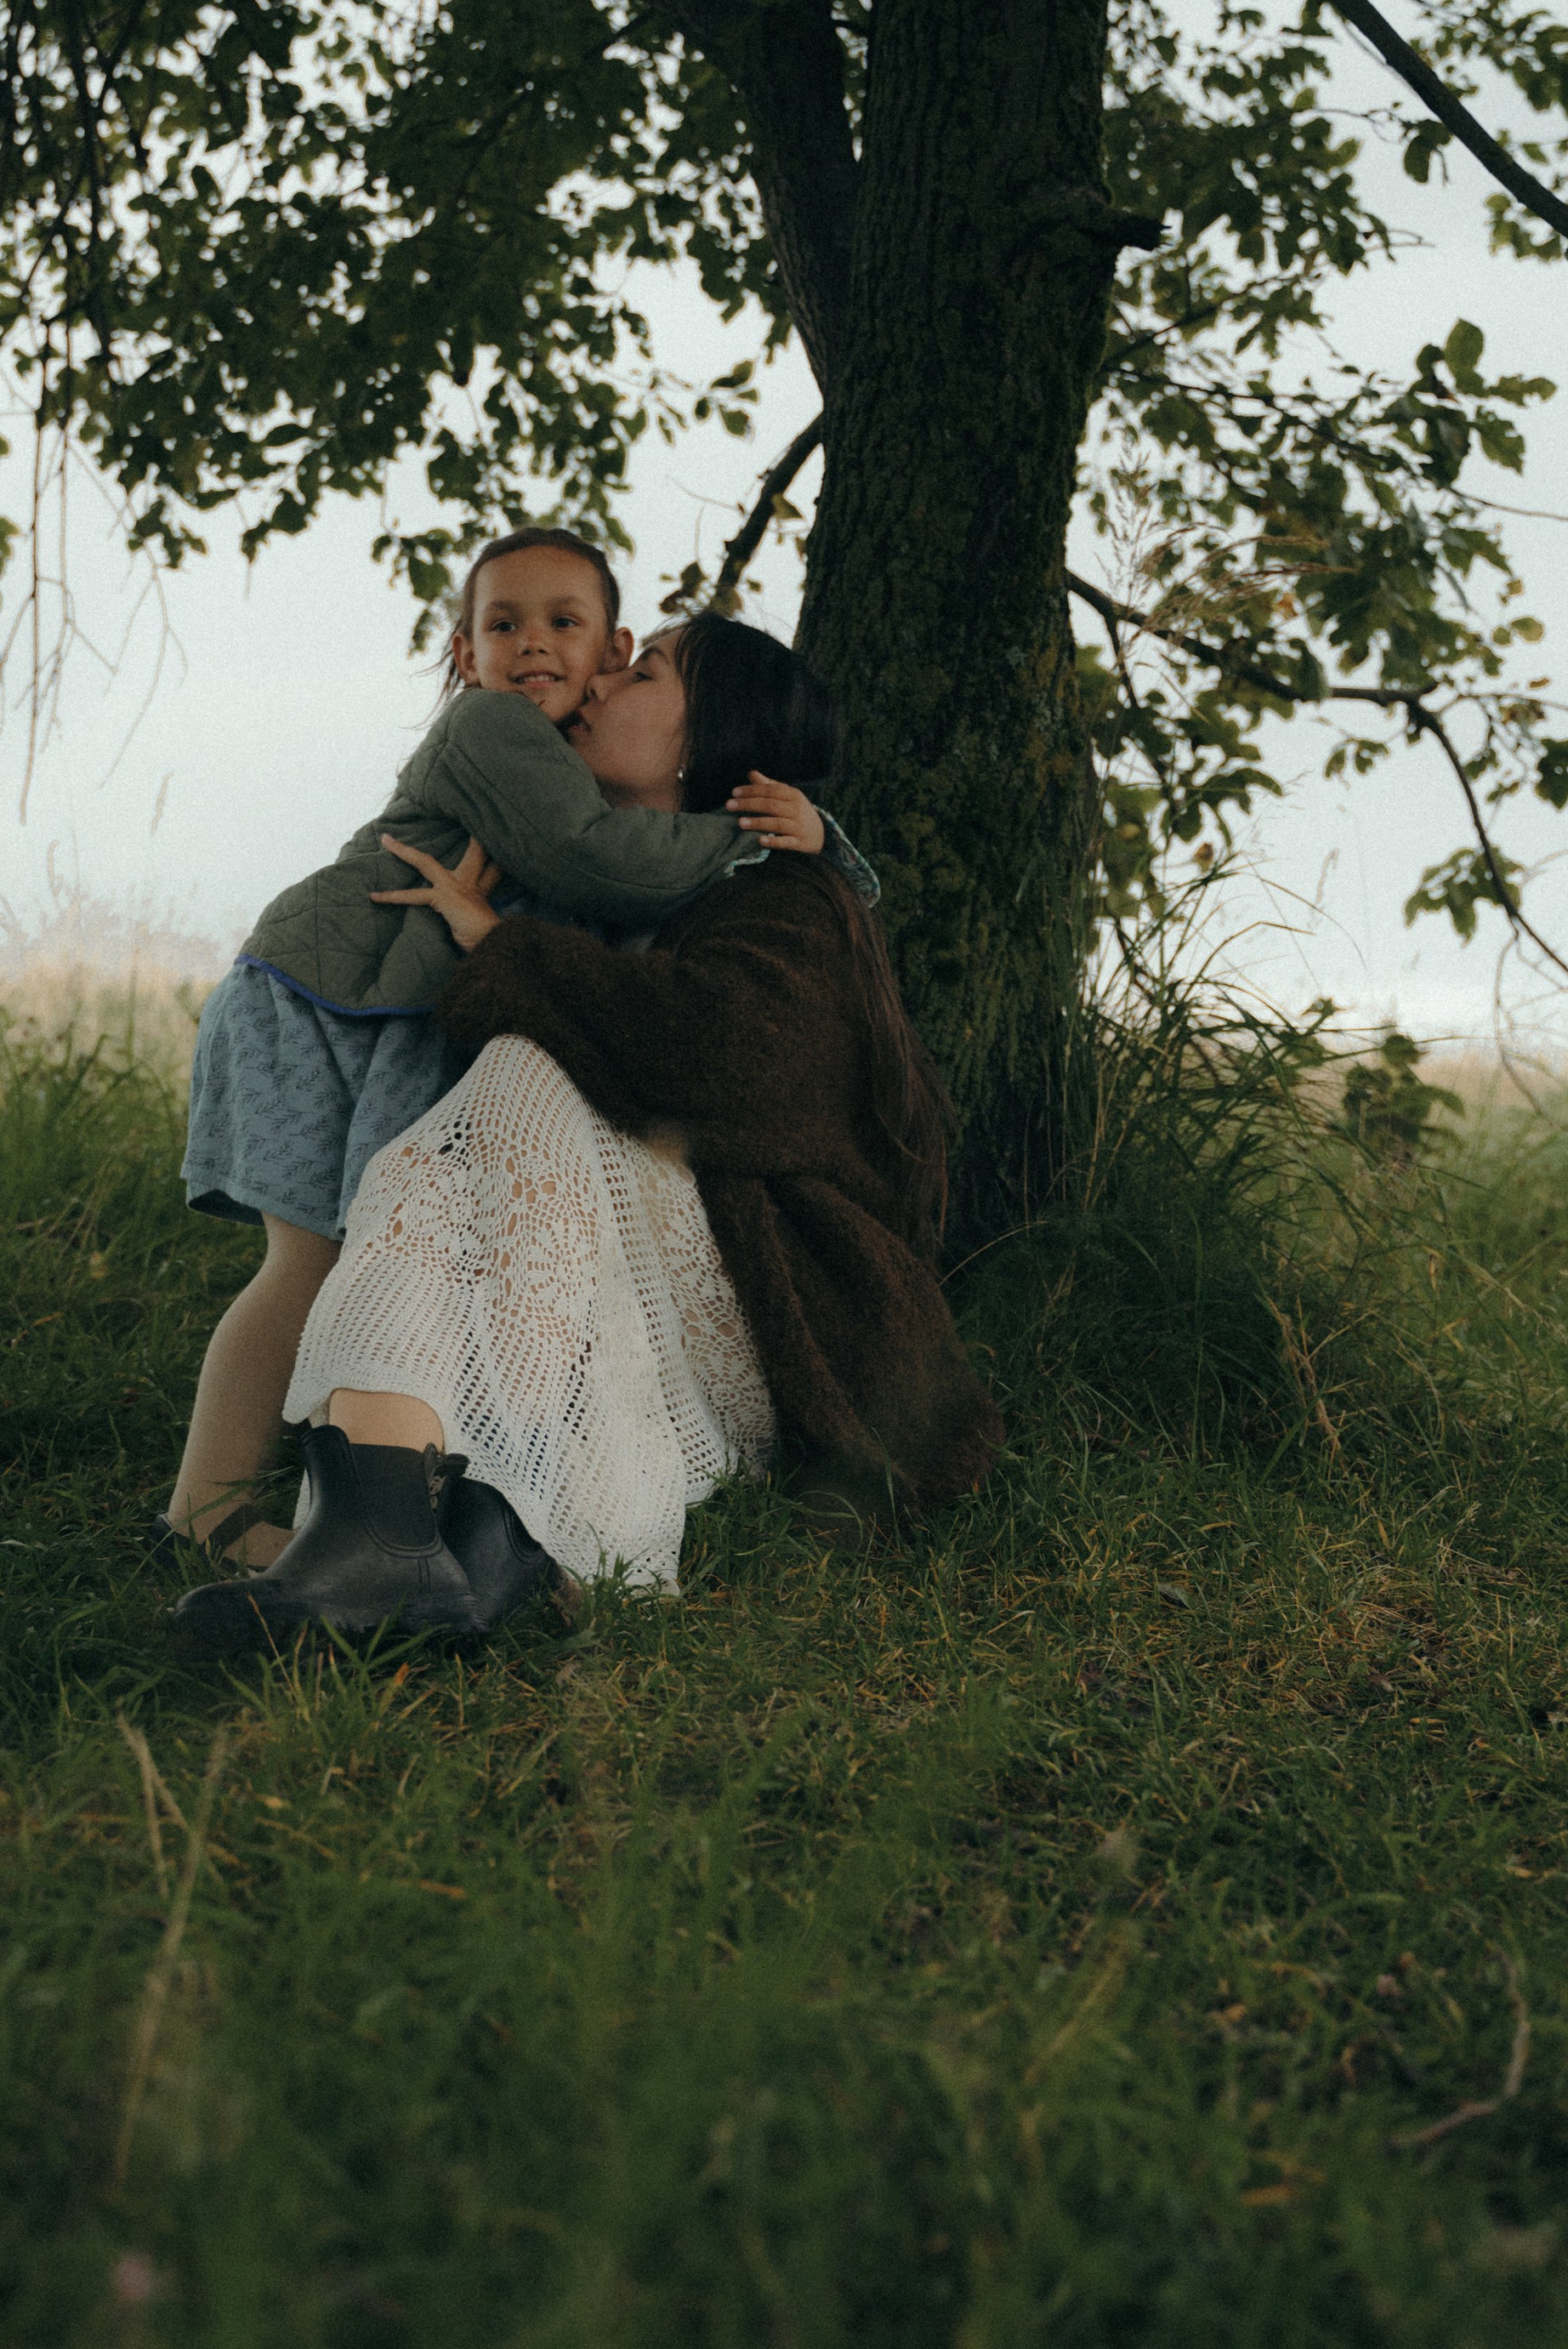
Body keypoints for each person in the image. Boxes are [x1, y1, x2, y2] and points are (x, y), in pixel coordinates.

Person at [165, 614, 1003, 1660]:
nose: (598, 684)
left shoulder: (786, 895)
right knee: (476, 1134)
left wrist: (503, 951)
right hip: (609, 1296)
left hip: (772, 1322)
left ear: (708, 741)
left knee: (522, 1074)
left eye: (641, 669)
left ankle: (389, 1529)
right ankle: (433, 1540)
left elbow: (715, 1063)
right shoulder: (611, 893)